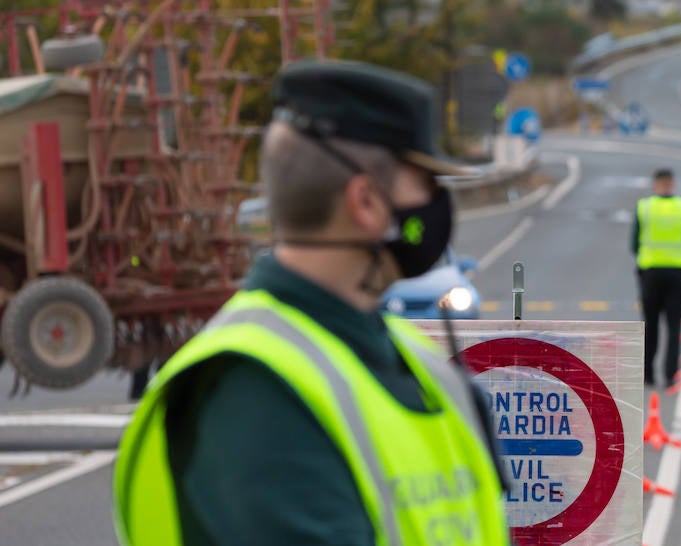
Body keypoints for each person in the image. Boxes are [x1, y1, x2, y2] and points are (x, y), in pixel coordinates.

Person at [112, 60, 510, 546]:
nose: (438, 203)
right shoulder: (255, 393)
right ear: (365, 202)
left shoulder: (423, 365)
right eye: (426, 185)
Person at [632, 168, 681, 387]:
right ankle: (671, 374)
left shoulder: (645, 207)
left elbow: (634, 243)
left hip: (650, 273)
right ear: (672, 183)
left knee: (650, 325)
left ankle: (647, 374)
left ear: (655, 184)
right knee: (674, 326)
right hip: (677, 273)